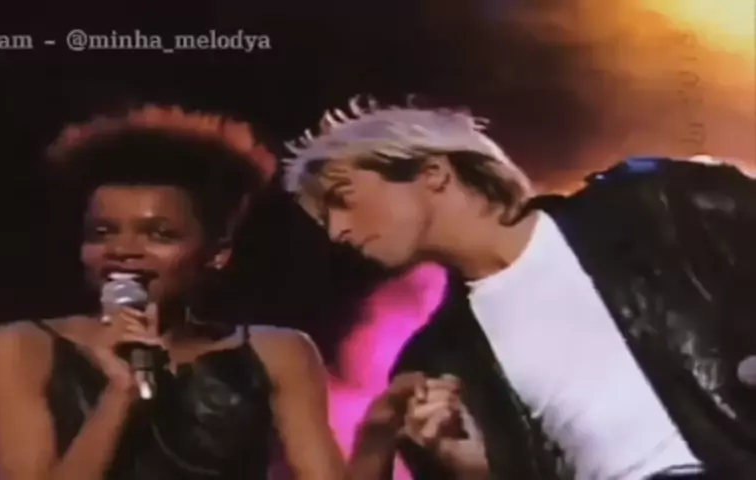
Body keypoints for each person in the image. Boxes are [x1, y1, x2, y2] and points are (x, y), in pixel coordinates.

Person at [281, 96, 756, 479]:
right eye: (325, 221)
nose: (337, 231)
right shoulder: (436, 362)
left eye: (342, 200)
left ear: (433, 173)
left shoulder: (651, 205)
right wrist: (473, 470)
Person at [0, 105, 344, 480]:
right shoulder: (23, 347)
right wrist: (120, 393)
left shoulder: (277, 352)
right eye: (102, 232)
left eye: (160, 234)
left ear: (217, 253)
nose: (122, 249)